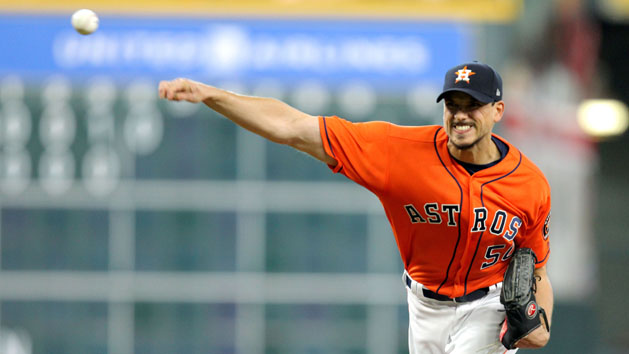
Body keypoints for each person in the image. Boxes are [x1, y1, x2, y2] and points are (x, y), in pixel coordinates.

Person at [158, 61, 553, 353]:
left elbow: (536, 269)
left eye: (474, 105)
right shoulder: (398, 151)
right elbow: (293, 128)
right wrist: (212, 95)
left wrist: (543, 325)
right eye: (453, 104)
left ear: (497, 112)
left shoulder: (529, 185)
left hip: (487, 307)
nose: (461, 115)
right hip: (423, 307)